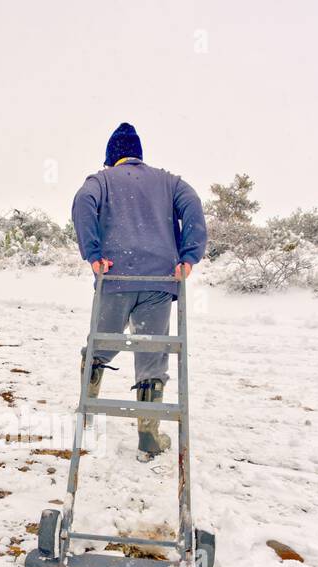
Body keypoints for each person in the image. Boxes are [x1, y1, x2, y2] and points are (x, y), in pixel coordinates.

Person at [71, 122, 208, 461]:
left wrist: (93, 254)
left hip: (115, 277)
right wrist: (188, 258)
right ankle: (148, 434)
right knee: (152, 353)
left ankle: (88, 404)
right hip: (159, 280)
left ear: (111, 159)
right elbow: (192, 204)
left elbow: (83, 202)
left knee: (102, 342)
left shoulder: (100, 181)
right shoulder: (169, 181)